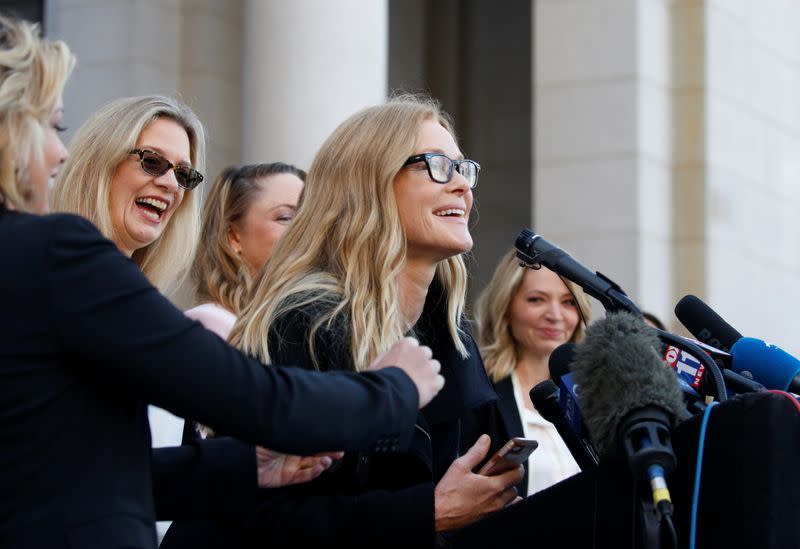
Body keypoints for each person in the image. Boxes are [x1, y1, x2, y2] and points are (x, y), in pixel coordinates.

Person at [0, 16, 444, 549]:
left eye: (185, 175)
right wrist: (392, 389)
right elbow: (256, 399)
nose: (59, 151)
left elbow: (73, 473)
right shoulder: (54, 254)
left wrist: (244, 467)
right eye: (51, 125)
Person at [208, 94, 524, 548]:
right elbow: (256, 521)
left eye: (463, 168)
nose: (461, 186)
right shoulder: (302, 325)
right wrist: (427, 513)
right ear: (368, 182)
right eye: (436, 165)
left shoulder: (453, 338)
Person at [463, 249, 592, 497]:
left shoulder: (591, 394)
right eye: (537, 299)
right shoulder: (479, 393)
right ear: (506, 307)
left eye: (568, 302)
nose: (555, 315)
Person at [185, 162, 306, 338]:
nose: (304, 229)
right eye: (286, 217)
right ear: (233, 236)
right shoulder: (209, 324)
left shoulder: (298, 323)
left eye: (308, 218)